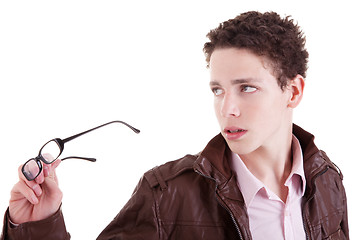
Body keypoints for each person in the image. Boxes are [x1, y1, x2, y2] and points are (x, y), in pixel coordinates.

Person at [1, 11, 349, 240]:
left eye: (247, 88)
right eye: (218, 90)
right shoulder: (166, 194)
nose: (227, 108)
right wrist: (37, 225)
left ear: (293, 91)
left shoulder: (328, 181)